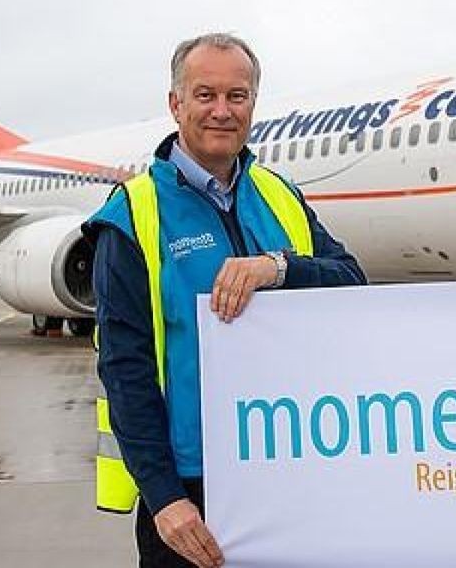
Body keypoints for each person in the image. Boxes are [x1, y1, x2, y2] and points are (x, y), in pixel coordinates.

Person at [83, 33, 366, 568]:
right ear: (176, 104)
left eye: (237, 96)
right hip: (194, 488)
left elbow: (351, 280)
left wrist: (278, 268)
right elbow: (125, 369)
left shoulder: (279, 196)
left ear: (253, 105)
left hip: (289, 464)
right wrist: (165, 498)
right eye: (205, 95)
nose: (221, 111)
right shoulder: (132, 215)